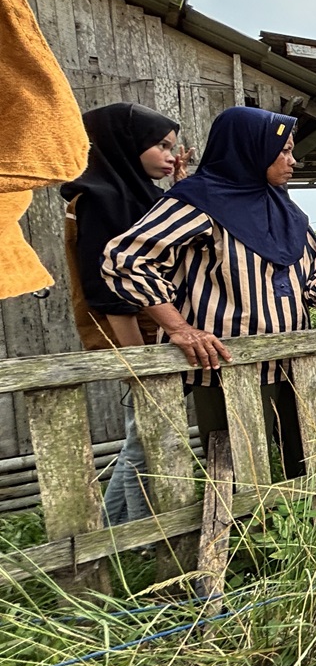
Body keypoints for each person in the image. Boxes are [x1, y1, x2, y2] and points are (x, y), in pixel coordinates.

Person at [103, 106, 316, 480]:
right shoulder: (198, 202)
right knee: (240, 471)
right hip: (227, 368)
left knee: (311, 460)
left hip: (293, 363)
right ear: (249, 149)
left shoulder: (286, 211)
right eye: (283, 151)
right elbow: (126, 259)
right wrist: (179, 328)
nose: (293, 161)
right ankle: (248, 536)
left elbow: (312, 272)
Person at [62, 103, 187, 525]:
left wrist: (181, 188)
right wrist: (141, 360)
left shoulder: (139, 194)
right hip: (133, 335)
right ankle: (140, 533)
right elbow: (106, 284)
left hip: (153, 334)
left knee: (142, 434)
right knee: (149, 436)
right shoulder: (101, 197)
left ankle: (114, 529)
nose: (170, 155)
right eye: (161, 146)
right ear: (126, 144)